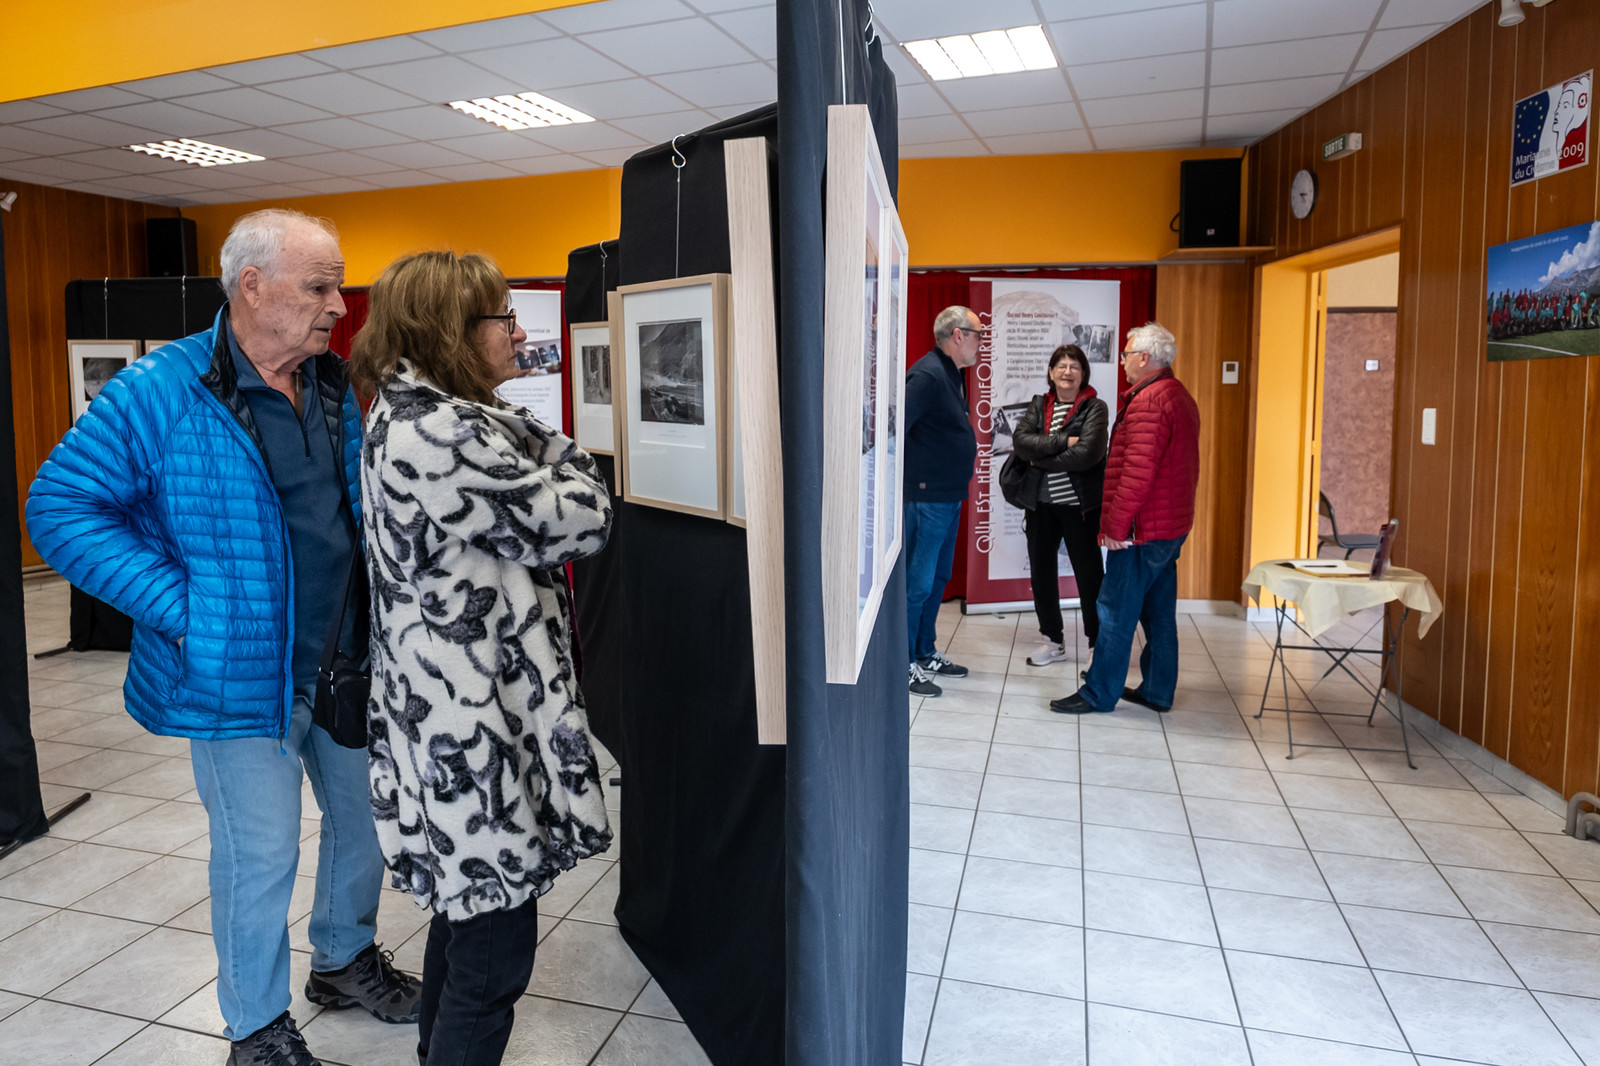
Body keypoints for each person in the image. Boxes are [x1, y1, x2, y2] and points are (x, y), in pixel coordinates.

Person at [26, 209, 417, 1066]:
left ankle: (344, 958)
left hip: (346, 659)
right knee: (262, 854)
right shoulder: (158, 389)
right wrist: (182, 606)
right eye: (319, 287)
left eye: (338, 286)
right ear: (252, 286)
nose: (337, 306)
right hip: (238, 676)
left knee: (367, 826)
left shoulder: (329, 381)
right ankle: (256, 1025)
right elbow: (57, 508)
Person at [349, 251, 614, 1066]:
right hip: (471, 734)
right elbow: (581, 517)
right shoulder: (442, 432)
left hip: (456, 717)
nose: (517, 332)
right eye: (503, 319)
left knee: (470, 923)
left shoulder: (423, 415)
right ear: (450, 333)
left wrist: (540, 451)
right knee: (494, 955)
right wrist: (568, 464)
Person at [1049, 322, 1200, 716]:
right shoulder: (1177, 394)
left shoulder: (1150, 401)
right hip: (1169, 528)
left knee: (1114, 610)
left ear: (1144, 358)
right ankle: (1157, 691)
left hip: (1142, 532)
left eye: (1127, 354)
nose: (1123, 362)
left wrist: (1115, 529)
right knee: (1158, 614)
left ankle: (1099, 693)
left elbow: (1136, 473)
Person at [1003, 344, 1108, 666]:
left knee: (1089, 576)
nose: (1067, 372)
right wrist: (1065, 441)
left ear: (1083, 373)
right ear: (1050, 373)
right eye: (1060, 366)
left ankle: (1096, 645)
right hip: (1041, 507)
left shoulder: (1095, 408)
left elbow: (1088, 454)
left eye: (1074, 366)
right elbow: (1021, 443)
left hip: (1080, 509)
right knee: (1042, 576)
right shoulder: (1038, 405)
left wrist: (1040, 458)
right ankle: (1053, 641)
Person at [904, 305, 985, 697]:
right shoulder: (928, 374)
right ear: (957, 335)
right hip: (926, 497)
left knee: (936, 579)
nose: (980, 344)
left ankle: (923, 650)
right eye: (978, 335)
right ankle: (901, 663)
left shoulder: (952, 374)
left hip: (948, 495)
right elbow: (895, 427)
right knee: (916, 584)